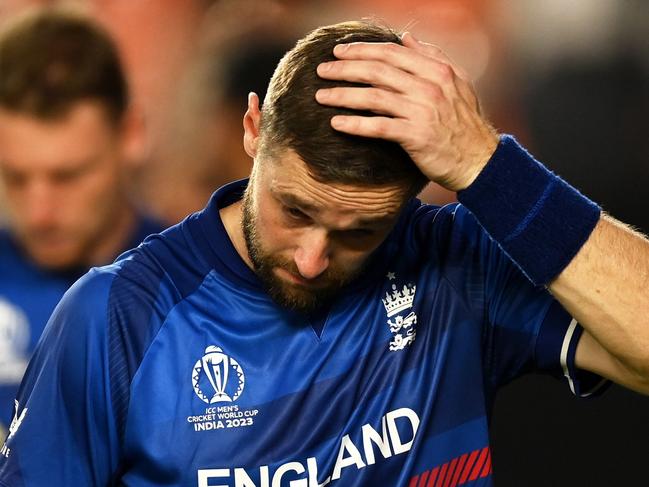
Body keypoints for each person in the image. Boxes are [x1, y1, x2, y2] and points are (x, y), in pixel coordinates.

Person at [1, 20, 648, 486]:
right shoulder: (118, 315)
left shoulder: (455, 269)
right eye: (295, 210)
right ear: (252, 131)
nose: (312, 258)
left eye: (357, 232)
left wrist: (487, 165)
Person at [0, 10, 162, 440]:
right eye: (15, 178)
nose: (39, 213)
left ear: (131, 135)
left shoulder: (196, 287)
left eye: (67, 177)